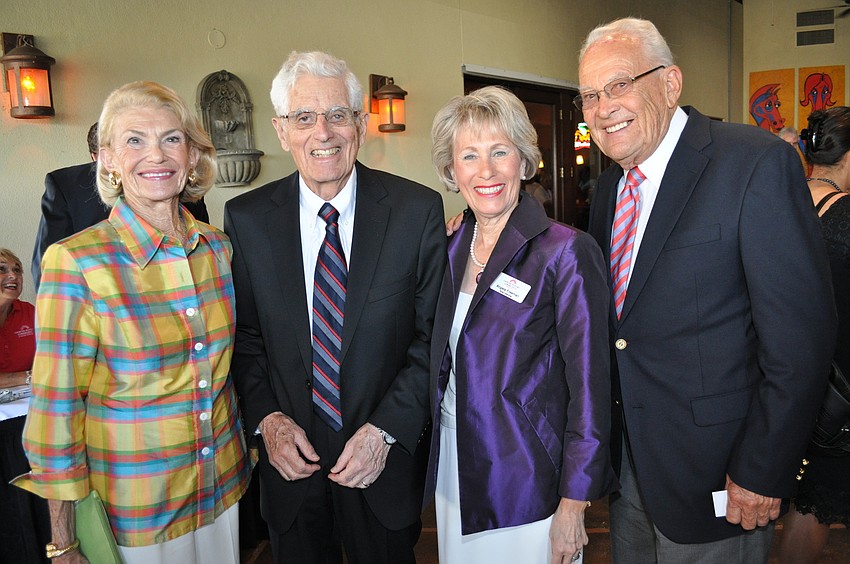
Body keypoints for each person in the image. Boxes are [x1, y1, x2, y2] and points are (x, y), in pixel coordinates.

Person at [577, 17, 836, 562]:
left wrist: (764, 467)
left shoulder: (752, 163)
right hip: (630, 474)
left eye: (619, 85)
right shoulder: (608, 187)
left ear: (670, 84)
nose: (603, 108)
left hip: (725, 478)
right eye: (589, 96)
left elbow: (800, 341)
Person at [223, 51, 446, 564]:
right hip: (290, 465)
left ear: (361, 126)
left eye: (337, 115)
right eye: (304, 117)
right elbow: (245, 339)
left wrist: (385, 429)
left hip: (382, 462)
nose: (322, 132)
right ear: (282, 132)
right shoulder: (246, 219)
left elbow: (430, 339)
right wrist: (268, 422)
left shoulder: (416, 211)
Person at [14, 81, 251, 564]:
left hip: (221, 489)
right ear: (108, 160)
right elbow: (56, 411)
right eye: (134, 140)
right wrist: (63, 540)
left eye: (171, 138)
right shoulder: (76, 262)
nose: (155, 155)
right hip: (136, 512)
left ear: (190, 156)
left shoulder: (218, 249)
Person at [426, 86, 617, 564]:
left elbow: (590, 385)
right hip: (455, 471)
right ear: (452, 171)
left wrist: (574, 503)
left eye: (499, 152)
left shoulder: (565, 252)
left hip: (529, 480)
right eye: (469, 156)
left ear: (524, 161)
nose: (485, 171)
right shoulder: (444, 249)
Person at [778, 106, 850, 564]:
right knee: (821, 495)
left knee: (809, 499)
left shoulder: (780, 202)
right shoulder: (844, 214)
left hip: (784, 379)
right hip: (840, 385)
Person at [31, 122, 209, 291]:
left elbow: (203, 248)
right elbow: (49, 268)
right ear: (101, 158)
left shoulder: (178, 178)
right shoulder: (68, 185)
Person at [0, 248, 51, 563]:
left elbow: (52, 360)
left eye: (17, 270)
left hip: (28, 416)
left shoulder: (30, 312)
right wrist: (28, 375)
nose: (13, 276)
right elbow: (38, 372)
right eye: (3, 269)